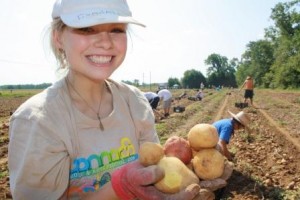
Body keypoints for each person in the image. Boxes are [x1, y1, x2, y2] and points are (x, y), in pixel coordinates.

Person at [7, 0, 201, 199]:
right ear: (58, 38)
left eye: (117, 30)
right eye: (86, 28)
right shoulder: (37, 122)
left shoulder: (134, 101)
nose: (106, 43)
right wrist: (120, 188)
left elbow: (154, 167)